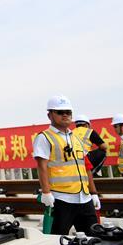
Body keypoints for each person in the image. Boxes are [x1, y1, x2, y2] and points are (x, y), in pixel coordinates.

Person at [33, 95, 100, 236]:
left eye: (68, 112)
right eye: (60, 112)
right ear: (49, 115)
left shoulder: (75, 137)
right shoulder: (44, 137)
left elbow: (85, 166)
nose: (65, 115)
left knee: (94, 238)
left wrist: (93, 193)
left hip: (84, 198)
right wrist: (46, 192)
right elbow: (42, 166)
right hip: (62, 199)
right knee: (57, 239)